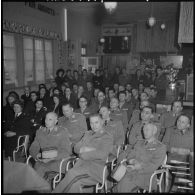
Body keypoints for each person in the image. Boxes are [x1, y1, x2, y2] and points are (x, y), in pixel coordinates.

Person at [52, 114, 114, 193]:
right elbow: (76, 148)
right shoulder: (87, 134)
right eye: (91, 123)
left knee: (72, 173)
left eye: (96, 122)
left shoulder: (106, 136)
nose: (94, 125)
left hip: (95, 170)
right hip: (81, 166)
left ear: (102, 122)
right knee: (75, 184)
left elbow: (102, 154)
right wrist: (88, 149)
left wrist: (85, 151)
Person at [113, 123, 166, 192]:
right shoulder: (139, 143)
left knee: (124, 184)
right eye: (143, 130)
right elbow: (130, 156)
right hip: (131, 170)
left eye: (147, 130)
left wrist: (138, 166)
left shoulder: (160, 147)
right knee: (120, 180)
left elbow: (153, 165)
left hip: (146, 175)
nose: (144, 132)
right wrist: (132, 161)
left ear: (154, 132)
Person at [29, 112, 72, 179]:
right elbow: (33, 148)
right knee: (34, 172)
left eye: (50, 119)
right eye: (46, 119)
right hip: (42, 161)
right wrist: (37, 155)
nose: (46, 121)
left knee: (38, 172)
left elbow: (66, 152)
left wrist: (48, 157)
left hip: (58, 161)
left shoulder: (62, 131)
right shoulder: (40, 132)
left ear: (56, 121)